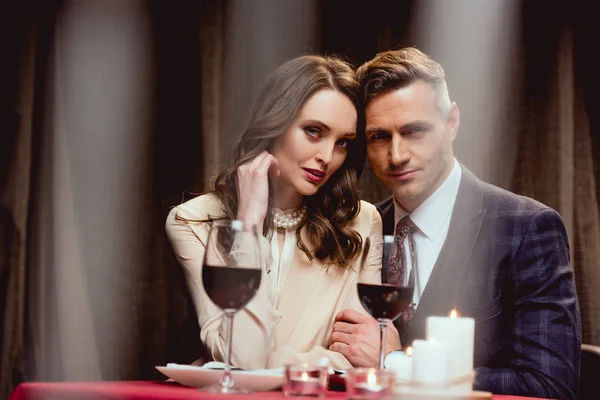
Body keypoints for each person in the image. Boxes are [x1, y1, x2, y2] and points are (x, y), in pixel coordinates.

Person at [329, 47, 581, 399]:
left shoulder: (528, 229)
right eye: (379, 137)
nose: (397, 155)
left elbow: (550, 384)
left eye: (414, 131)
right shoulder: (359, 230)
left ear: (451, 123)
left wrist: (397, 364)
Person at [165, 55, 400, 370]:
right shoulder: (192, 222)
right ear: (274, 123)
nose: (327, 157)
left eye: (343, 143)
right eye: (314, 131)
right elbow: (242, 356)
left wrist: (264, 367)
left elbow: (355, 357)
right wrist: (247, 224)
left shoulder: (361, 222)